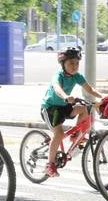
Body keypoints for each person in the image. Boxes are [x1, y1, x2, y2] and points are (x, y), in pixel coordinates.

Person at [40, 47, 103, 179]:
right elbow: (57, 88)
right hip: (51, 109)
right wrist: (65, 96)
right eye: (71, 63)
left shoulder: (77, 76)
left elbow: (90, 89)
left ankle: (75, 136)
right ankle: (49, 165)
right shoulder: (58, 76)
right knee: (58, 134)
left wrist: (103, 97)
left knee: (85, 108)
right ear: (63, 64)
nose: (74, 66)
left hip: (65, 106)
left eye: (77, 63)